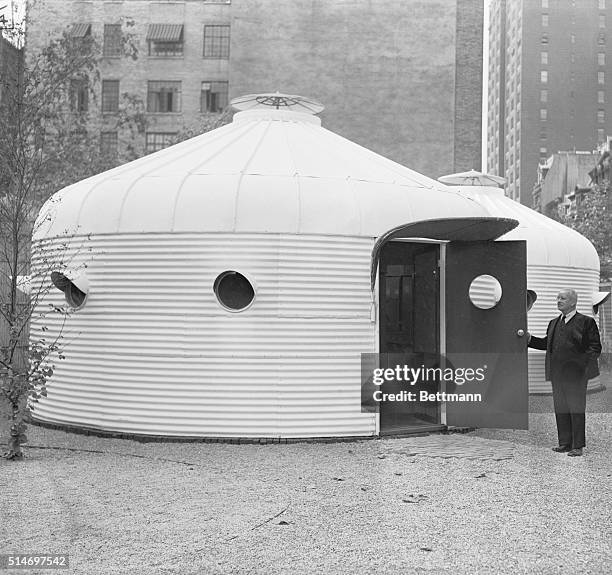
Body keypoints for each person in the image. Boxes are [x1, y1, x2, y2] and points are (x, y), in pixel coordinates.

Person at [527, 289, 601, 456]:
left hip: (576, 375)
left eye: (563, 298)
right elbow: (547, 343)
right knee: (561, 408)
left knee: (576, 409)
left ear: (573, 302)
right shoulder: (554, 322)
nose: (558, 300)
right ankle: (565, 443)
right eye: (557, 298)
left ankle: (577, 446)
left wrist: (580, 367)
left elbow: (595, 348)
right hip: (557, 374)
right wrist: (530, 339)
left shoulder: (586, 322)